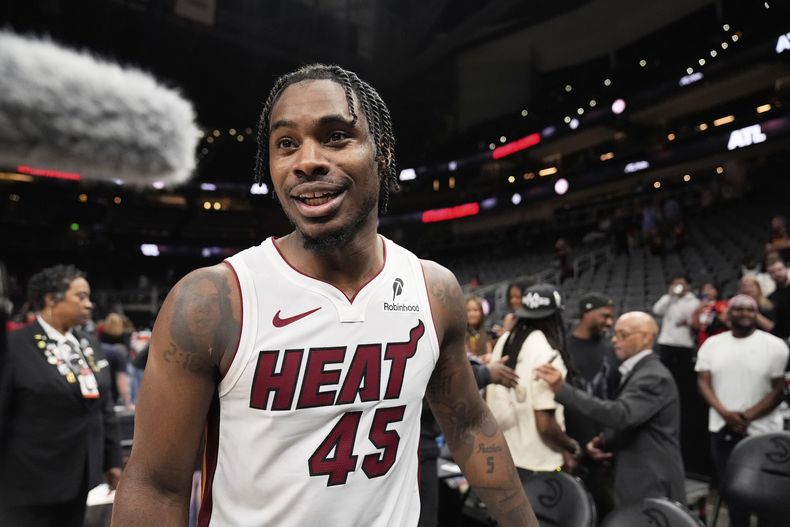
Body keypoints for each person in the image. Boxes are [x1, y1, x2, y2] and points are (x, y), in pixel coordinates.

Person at [112, 64, 537, 527]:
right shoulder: (213, 300)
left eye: (335, 136)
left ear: (383, 154)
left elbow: (470, 426)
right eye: (286, 143)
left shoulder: (433, 290)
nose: (305, 161)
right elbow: (155, 486)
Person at [0, 265, 121, 526]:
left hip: (79, 478)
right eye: (81, 297)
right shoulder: (14, 346)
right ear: (51, 299)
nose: (89, 304)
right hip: (26, 483)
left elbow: (104, 406)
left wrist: (111, 460)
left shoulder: (89, 344)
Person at [534, 312, 685, 507]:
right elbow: (639, 422)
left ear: (646, 337)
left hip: (651, 481)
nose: (614, 340)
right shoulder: (640, 372)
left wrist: (563, 390)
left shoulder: (653, 376)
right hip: (638, 479)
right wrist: (605, 442)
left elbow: (621, 415)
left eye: (623, 335)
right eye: (615, 334)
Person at [695, 295, 788, 527]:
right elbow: (703, 382)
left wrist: (747, 416)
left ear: (756, 313)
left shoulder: (775, 346)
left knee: (769, 501)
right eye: (738, 309)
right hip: (722, 428)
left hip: (763, 432)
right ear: (728, 313)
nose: (744, 313)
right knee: (735, 499)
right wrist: (726, 413)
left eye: (750, 309)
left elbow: (779, 390)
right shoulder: (712, 344)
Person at [486, 283, 582, 481]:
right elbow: (544, 425)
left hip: (500, 457)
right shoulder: (548, 354)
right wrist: (571, 447)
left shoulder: (504, 340)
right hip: (538, 466)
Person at [564, 292, 619, 519]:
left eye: (611, 318)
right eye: (604, 316)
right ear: (586, 313)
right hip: (573, 446)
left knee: (607, 512)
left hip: (604, 446)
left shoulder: (611, 349)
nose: (609, 322)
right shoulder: (563, 348)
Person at [652, 275, 704, 474]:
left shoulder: (694, 301)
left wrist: (688, 319)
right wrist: (670, 296)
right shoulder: (669, 299)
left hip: (683, 344)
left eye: (682, 283)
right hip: (666, 342)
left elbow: (694, 322)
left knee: (682, 379)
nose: (679, 286)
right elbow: (658, 310)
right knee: (665, 374)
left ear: (688, 285)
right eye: (675, 283)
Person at [689, 281, 728, 347]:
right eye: (704, 289)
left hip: (719, 342)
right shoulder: (699, 306)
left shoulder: (722, 304)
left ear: (717, 291)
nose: (707, 291)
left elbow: (725, 320)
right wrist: (699, 309)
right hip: (703, 342)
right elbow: (695, 327)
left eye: (710, 288)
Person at [767, 258, 790, 342]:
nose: (777, 274)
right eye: (773, 272)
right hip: (784, 338)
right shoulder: (771, 298)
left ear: (786, 269)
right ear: (769, 276)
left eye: (779, 270)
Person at [465, 296, 493, 361]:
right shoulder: (459, 335)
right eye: (468, 310)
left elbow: (489, 354)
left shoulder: (487, 333)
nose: (472, 314)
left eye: (475, 310)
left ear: (481, 312)